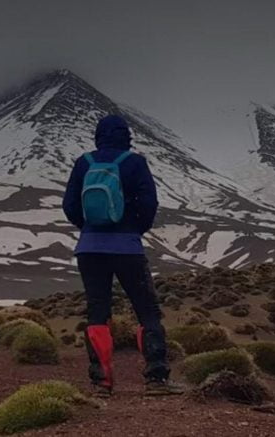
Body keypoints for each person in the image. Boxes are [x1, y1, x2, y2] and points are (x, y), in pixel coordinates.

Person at [62, 114, 182, 397]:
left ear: (98, 136)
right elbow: (149, 203)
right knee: (147, 311)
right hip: (127, 247)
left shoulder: (84, 163)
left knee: (97, 312)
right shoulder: (134, 163)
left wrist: (89, 228)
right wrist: (134, 229)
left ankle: (101, 382)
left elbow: (69, 205)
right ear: (127, 136)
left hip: (90, 248)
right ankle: (156, 379)